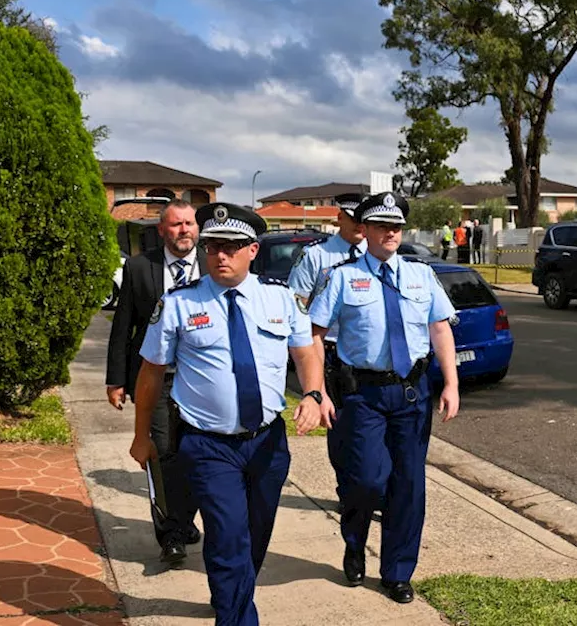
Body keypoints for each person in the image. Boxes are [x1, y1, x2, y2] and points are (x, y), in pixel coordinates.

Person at [132, 202, 324, 625]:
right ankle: (238, 617)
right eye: (213, 245)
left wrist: (312, 393)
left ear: (253, 250)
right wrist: (141, 434)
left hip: (267, 442)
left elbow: (306, 349)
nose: (221, 254)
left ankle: (231, 595)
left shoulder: (279, 297)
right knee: (227, 535)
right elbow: (150, 373)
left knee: (254, 536)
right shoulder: (180, 304)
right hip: (207, 444)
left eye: (232, 246)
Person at [308, 191, 461, 604]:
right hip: (363, 395)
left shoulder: (420, 276)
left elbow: (441, 329)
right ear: (365, 231)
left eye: (396, 226)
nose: (391, 232)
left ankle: (397, 572)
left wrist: (451, 382)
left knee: (408, 486)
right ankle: (355, 541)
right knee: (366, 481)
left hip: (411, 393)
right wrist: (317, 390)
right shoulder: (340, 277)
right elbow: (315, 335)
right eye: (382, 226)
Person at [105, 198, 203, 565]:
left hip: (201, 380)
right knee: (161, 454)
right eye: (176, 225)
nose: (184, 231)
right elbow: (123, 326)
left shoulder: (213, 266)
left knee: (196, 454)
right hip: (156, 378)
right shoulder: (139, 267)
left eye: (189, 224)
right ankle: (171, 535)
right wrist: (116, 380)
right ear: (162, 230)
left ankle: (184, 519)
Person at [285, 192, 372, 520]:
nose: (362, 226)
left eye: (366, 219)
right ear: (340, 218)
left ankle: (374, 490)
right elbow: (297, 306)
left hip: (367, 354)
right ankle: (348, 492)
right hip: (331, 353)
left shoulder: (375, 255)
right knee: (342, 431)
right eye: (355, 219)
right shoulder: (317, 256)